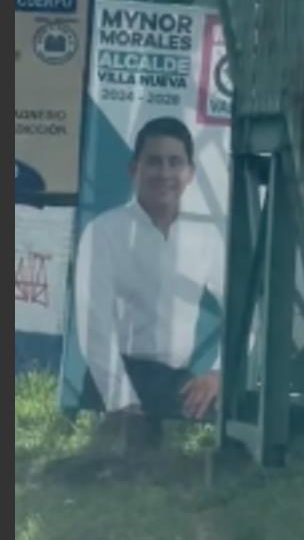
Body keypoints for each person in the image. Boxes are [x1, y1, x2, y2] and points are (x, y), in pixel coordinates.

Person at [74, 116, 224, 429]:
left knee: (219, 461)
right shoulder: (104, 232)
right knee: (120, 467)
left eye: (175, 163)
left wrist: (217, 374)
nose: (165, 174)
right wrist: (123, 401)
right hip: (115, 378)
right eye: (154, 162)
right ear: (135, 169)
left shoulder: (206, 237)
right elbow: (94, 324)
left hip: (175, 382)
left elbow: (245, 314)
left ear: (190, 173)